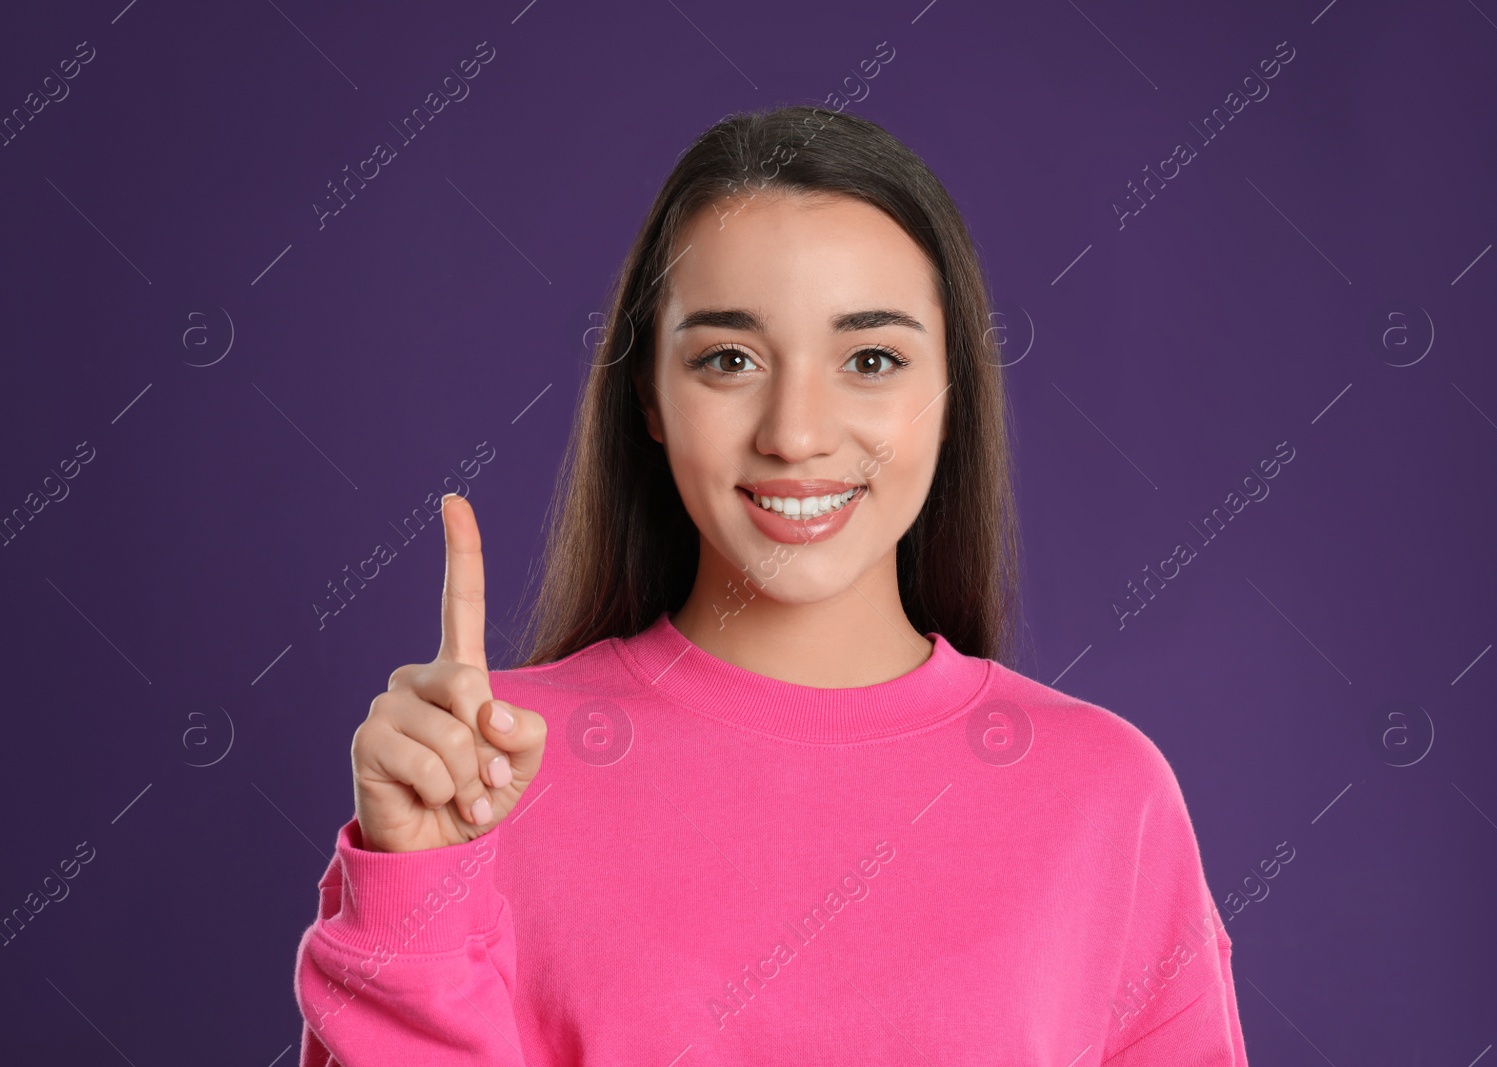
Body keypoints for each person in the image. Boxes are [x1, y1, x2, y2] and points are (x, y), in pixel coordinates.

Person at [293, 104, 1249, 1065]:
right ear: (650, 398)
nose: (795, 432)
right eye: (729, 359)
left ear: (953, 395)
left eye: (871, 359)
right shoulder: (481, 777)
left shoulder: (1104, 797)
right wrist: (418, 886)